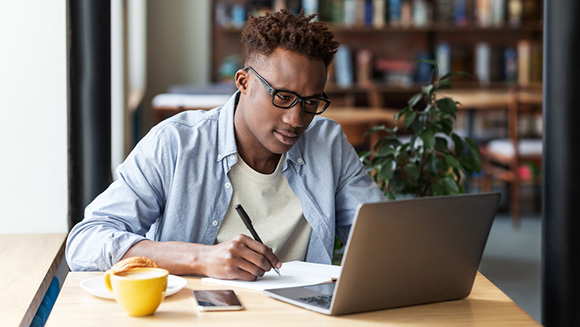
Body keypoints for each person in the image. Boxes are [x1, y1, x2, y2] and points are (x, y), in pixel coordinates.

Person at [66, 9, 385, 281]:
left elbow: (383, 237)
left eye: (311, 102)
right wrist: (201, 259)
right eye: (283, 97)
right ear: (244, 83)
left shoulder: (327, 144)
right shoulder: (176, 143)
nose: (296, 119)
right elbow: (85, 242)